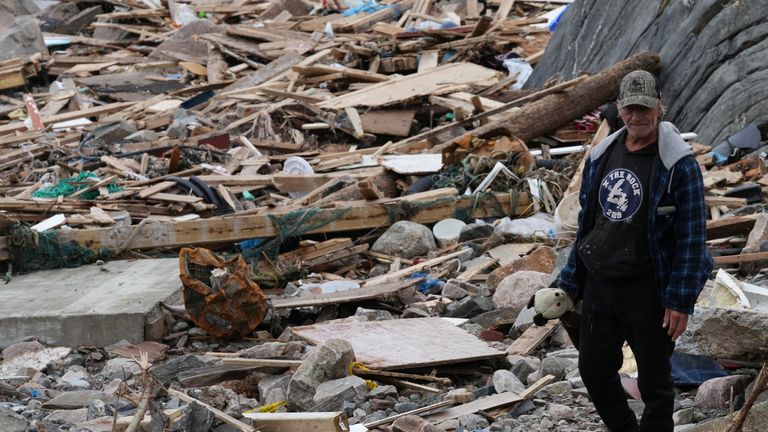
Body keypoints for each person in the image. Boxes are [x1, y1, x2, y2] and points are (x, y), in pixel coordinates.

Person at [558, 70, 713, 432]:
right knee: (594, 370)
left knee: (655, 384)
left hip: (649, 288)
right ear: (619, 108)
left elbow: (692, 237)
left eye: (644, 107)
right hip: (601, 282)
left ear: (660, 107)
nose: (637, 116)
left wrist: (680, 301)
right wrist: (569, 282)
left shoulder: (679, 165)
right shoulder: (601, 155)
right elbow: (587, 224)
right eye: (630, 108)